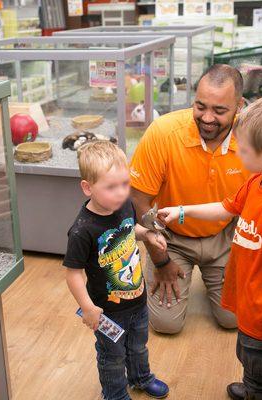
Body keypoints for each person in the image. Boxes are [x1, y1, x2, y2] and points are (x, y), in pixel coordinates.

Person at [159, 94, 262, 400]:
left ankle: (260, 392)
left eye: (244, 149)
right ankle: (261, 388)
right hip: (250, 303)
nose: (238, 155)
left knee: (260, 363)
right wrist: (183, 211)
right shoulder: (258, 182)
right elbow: (226, 208)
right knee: (254, 359)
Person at [129, 64, 249, 334]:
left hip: (224, 235)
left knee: (234, 320)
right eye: (200, 106)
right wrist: (160, 259)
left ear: (239, 106)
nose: (207, 118)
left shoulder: (251, 136)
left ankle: (215, 275)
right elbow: (139, 200)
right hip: (173, 237)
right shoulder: (163, 132)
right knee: (165, 325)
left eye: (219, 111)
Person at [63, 141, 170, 400]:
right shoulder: (82, 230)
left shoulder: (124, 205)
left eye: (125, 183)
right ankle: (115, 395)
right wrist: (88, 308)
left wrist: (147, 235)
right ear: (88, 188)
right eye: (111, 187)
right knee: (112, 357)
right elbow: (73, 274)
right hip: (107, 311)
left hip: (137, 298)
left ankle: (140, 378)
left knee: (138, 346)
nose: (121, 192)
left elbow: (129, 229)